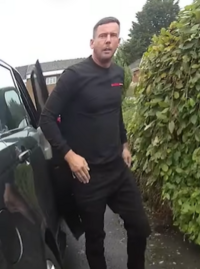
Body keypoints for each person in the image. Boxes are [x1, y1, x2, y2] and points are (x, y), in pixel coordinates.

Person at [39, 16, 151, 269]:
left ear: (119, 41)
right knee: (95, 239)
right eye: (103, 36)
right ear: (92, 42)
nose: (108, 40)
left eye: (113, 35)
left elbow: (115, 111)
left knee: (140, 228)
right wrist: (69, 155)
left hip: (117, 170)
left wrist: (124, 143)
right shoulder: (74, 76)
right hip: (88, 176)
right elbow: (46, 118)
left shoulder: (119, 74)